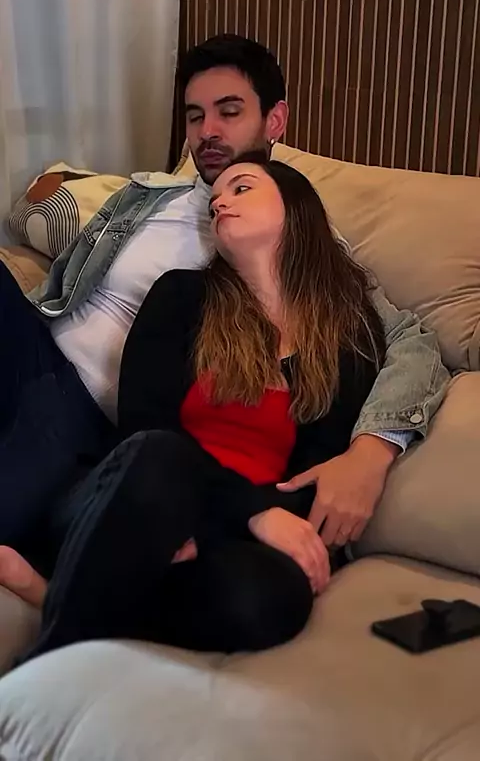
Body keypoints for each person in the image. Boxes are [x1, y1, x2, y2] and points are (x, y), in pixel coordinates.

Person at [0, 34, 448, 556]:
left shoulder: (296, 239)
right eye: (195, 116)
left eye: (229, 112)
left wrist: (373, 450)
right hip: (36, 353)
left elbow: (411, 339)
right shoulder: (147, 195)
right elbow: (53, 253)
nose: (207, 131)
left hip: (100, 421)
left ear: (275, 121)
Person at [10, 152, 391, 658]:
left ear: (296, 207)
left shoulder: (350, 333)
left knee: (266, 600)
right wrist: (246, 511)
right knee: (162, 456)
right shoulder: (181, 295)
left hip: (228, 534)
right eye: (215, 199)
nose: (220, 203)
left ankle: (50, 591)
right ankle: (56, 656)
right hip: (131, 499)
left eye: (242, 188)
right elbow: (142, 430)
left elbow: (312, 473)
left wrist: (214, 524)